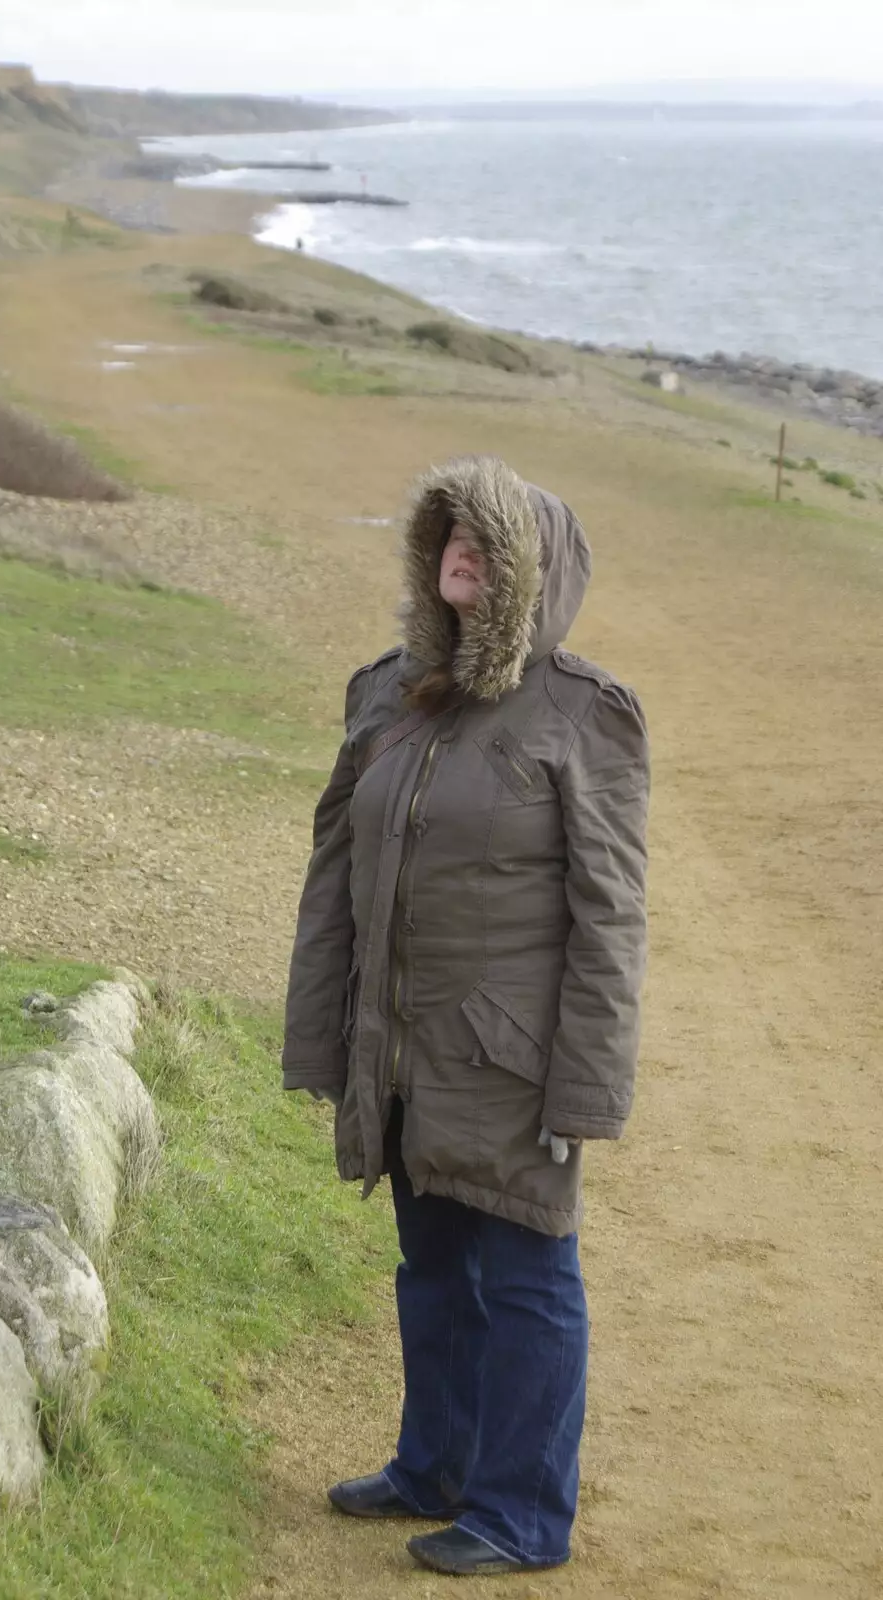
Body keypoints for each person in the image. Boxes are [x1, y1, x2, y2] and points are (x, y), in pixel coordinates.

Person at [282, 455, 650, 1577]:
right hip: (400, 1048)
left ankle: (520, 1512)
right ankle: (434, 1464)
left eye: (487, 540)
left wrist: (585, 1086)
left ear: (532, 571)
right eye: (451, 531)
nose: (463, 551)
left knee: (528, 1281)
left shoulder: (587, 716)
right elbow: (333, 871)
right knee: (431, 1265)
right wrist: (325, 1035)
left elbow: (610, 918)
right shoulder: (383, 693)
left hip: (511, 1062)